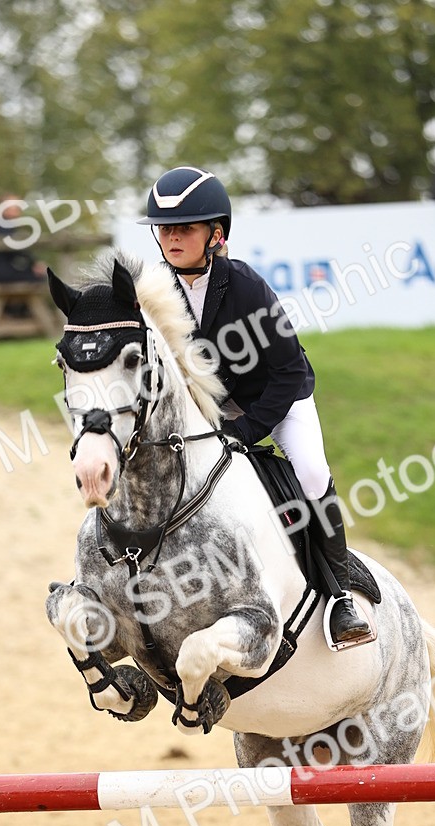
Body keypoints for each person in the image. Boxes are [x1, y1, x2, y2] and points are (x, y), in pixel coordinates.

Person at [138, 166, 374, 650]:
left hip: (280, 400)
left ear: (216, 234)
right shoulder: (156, 292)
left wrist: (247, 432)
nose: (172, 237)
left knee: (309, 472)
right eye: (165, 228)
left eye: (185, 227)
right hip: (216, 408)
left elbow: (287, 373)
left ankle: (339, 594)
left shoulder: (245, 287)